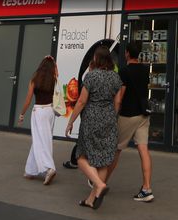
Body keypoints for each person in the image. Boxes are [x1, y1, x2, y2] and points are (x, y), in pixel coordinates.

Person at [65, 45, 122, 209]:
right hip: (109, 120)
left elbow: (82, 101)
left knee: (81, 156)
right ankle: (92, 198)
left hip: (91, 120)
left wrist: (71, 121)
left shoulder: (91, 76)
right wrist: (112, 115)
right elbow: (118, 101)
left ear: (96, 59)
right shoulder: (115, 78)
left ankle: (99, 184)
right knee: (103, 161)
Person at [103, 41, 155, 202]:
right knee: (143, 150)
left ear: (127, 53)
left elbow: (120, 97)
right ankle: (146, 188)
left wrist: (113, 114)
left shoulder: (124, 71)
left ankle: (101, 182)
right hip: (143, 115)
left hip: (127, 115)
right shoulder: (145, 70)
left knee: (116, 149)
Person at [18, 55, 60, 185]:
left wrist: (22, 114)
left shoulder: (34, 79)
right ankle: (30, 170)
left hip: (39, 112)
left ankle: (49, 168)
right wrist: (53, 61)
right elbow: (57, 73)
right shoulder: (53, 78)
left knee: (40, 140)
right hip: (50, 111)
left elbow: (28, 99)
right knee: (42, 139)